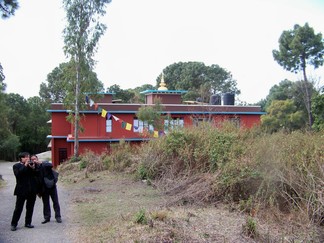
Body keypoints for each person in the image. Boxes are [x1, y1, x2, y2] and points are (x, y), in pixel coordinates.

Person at [10, 152, 39, 231]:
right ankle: (14, 224)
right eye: (25, 157)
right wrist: (25, 165)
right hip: (21, 190)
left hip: (32, 190)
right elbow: (18, 175)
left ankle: (28, 223)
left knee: (30, 207)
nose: (27, 158)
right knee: (18, 208)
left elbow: (37, 174)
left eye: (28, 157)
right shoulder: (16, 166)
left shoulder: (31, 165)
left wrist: (33, 168)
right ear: (21, 158)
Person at [31, 155, 62, 224]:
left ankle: (58, 216)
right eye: (32, 160)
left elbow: (50, 165)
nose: (33, 161)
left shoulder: (44, 164)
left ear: (37, 158)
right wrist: (38, 191)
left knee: (55, 202)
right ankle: (47, 217)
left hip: (51, 186)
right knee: (45, 203)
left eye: (34, 159)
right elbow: (36, 180)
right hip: (43, 188)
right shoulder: (33, 168)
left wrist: (40, 163)